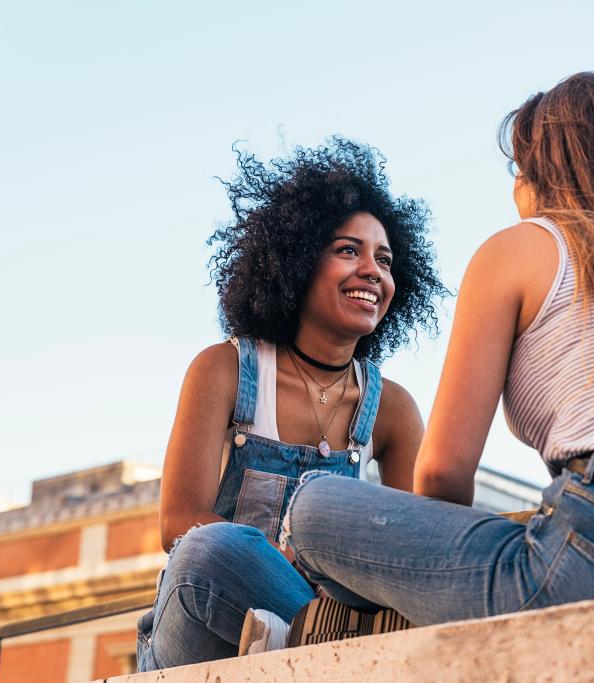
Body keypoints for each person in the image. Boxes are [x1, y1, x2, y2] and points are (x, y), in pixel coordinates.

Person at [283, 72, 594, 627]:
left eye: (517, 169)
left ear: (542, 171)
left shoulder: (523, 247)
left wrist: (428, 567)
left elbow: (442, 475)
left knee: (315, 506)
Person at [135, 138, 447, 671]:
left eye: (385, 259)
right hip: (207, 620)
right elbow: (178, 521)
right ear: (296, 261)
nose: (373, 270)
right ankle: (327, 639)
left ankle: (312, 639)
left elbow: (409, 553)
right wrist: (294, 578)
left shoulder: (392, 409)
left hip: (326, 622)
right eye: (348, 250)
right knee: (210, 549)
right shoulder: (225, 369)